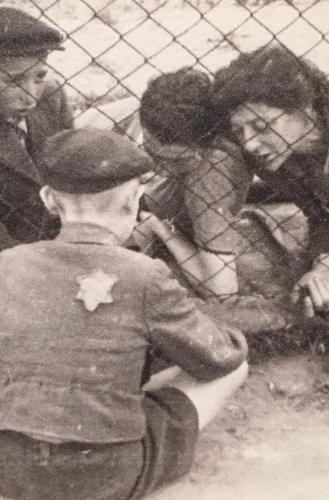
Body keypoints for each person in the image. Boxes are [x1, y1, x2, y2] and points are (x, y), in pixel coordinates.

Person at [0, 129, 249, 500]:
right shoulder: (145, 274)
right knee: (232, 369)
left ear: (49, 199)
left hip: (10, 467)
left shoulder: (8, 263)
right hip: (105, 474)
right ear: (134, 200)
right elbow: (219, 359)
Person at [138, 46, 329, 320]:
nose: (250, 143)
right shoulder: (281, 157)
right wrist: (326, 267)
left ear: (303, 108)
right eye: (240, 130)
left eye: (262, 126)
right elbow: (326, 217)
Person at [0, 7, 74, 245]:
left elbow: (72, 172)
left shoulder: (51, 95)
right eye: (13, 80)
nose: (30, 95)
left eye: (39, 77)